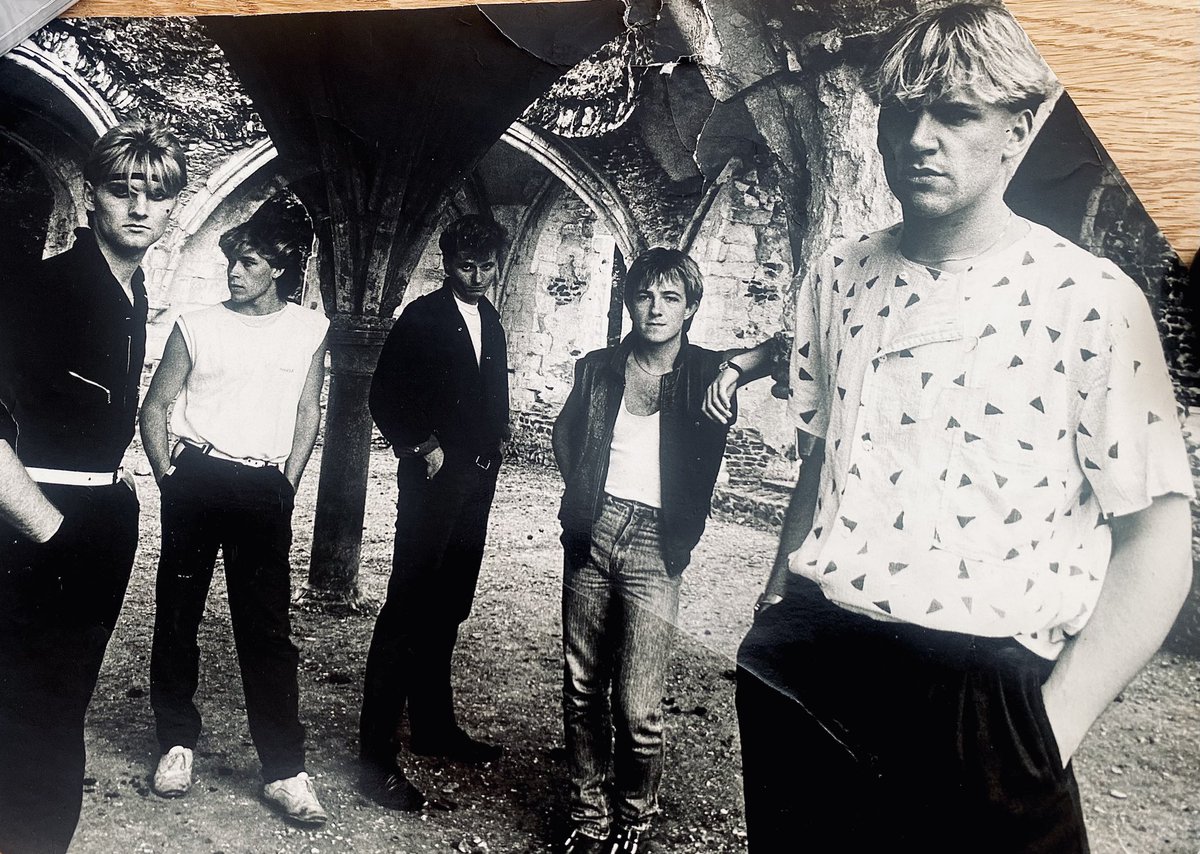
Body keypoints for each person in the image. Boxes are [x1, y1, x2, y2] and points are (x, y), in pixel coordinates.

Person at [704, 4, 1194, 851]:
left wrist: (1051, 731)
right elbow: (822, 459)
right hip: (818, 656)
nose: (921, 139)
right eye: (904, 112)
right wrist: (778, 608)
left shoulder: (1091, 299)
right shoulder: (840, 274)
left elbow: (1157, 543)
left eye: (957, 113)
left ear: (1019, 128)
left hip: (986, 696)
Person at [0, 119, 187, 854]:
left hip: (99, 518)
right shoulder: (42, 291)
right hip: (38, 527)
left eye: (158, 194)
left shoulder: (132, 297)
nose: (139, 208)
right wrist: (52, 533)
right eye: (122, 190)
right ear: (90, 196)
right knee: (31, 720)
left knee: (58, 707)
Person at [138, 197, 329, 825]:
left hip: (264, 488)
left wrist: (288, 481)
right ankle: (175, 743)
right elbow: (155, 406)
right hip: (196, 479)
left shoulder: (307, 330)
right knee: (178, 614)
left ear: (278, 265)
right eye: (232, 262)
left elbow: (308, 411)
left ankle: (284, 769)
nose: (234, 273)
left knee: (266, 629)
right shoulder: (198, 324)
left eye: (247, 263)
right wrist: (170, 475)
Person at [551, 248, 735, 854]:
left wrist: (734, 374)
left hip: (657, 545)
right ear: (628, 302)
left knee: (638, 706)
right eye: (643, 296)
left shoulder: (707, 372)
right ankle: (588, 816)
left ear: (690, 307)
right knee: (582, 687)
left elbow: (786, 348)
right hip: (594, 529)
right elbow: (566, 432)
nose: (655, 309)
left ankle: (634, 815)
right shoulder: (598, 367)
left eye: (670, 297)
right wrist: (582, 495)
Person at [359, 214, 511, 810]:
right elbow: (383, 396)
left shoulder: (492, 319)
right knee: (408, 606)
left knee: (448, 604)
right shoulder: (422, 318)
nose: (476, 275)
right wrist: (423, 445)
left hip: (477, 482)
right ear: (447, 263)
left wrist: (496, 439)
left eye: (487, 265)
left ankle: (433, 727)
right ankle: (375, 756)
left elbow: (489, 390)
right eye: (466, 265)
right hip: (432, 479)